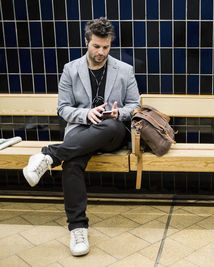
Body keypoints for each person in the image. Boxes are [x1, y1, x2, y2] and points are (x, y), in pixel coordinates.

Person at [23, 17, 140, 256]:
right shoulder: (71, 69)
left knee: (111, 126)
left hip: (110, 133)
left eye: (106, 47)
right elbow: (63, 108)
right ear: (86, 41)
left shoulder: (124, 70)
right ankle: (77, 228)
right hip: (81, 132)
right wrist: (86, 114)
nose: (101, 52)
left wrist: (119, 112)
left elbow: (136, 106)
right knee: (72, 163)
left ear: (110, 44)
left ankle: (48, 155)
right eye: (96, 46)